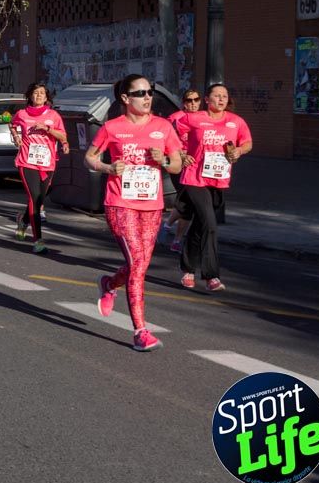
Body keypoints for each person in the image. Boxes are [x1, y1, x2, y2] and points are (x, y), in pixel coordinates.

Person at [87, 74, 183, 352]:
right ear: (125, 99)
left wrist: (162, 160)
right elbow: (90, 157)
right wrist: (107, 168)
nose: (147, 97)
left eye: (149, 91)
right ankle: (141, 331)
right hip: (120, 202)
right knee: (138, 263)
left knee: (139, 265)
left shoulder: (163, 127)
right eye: (140, 93)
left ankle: (109, 283)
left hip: (151, 206)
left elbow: (176, 165)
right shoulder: (112, 127)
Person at [175, 83, 252, 291]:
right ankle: (211, 276)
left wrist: (239, 152)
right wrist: (181, 153)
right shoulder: (193, 118)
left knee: (201, 225)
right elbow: (171, 134)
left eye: (225, 96)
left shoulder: (235, 122)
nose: (221, 99)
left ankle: (187, 269)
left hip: (218, 179)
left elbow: (247, 142)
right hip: (194, 178)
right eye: (217, 96)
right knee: (210, 223)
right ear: (207, 99)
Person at [11, 82, 66, 254]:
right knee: (34, 197)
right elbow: (13, 125)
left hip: (47, 162)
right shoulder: (21, 114)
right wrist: (16, 137)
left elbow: (62, 135)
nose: (39, 96)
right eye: (35, 93)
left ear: (47, 97)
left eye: (42, 93)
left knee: (41, 199)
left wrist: (48, 129)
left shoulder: (53, 115)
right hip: (27, 161)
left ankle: (24, 220)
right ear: (30, 96)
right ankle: (38, 240)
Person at [163, 89, 202, 252]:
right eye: (188, 100)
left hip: (197, 166)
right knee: (189, 203)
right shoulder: (175, 118)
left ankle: (167, 227)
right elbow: (166, 140)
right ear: (183, 102)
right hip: (180, 165)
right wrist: (181, 154)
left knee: (189, 204)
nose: (192, 103)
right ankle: (177, 239)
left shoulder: (204, 118)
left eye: (196, 99)